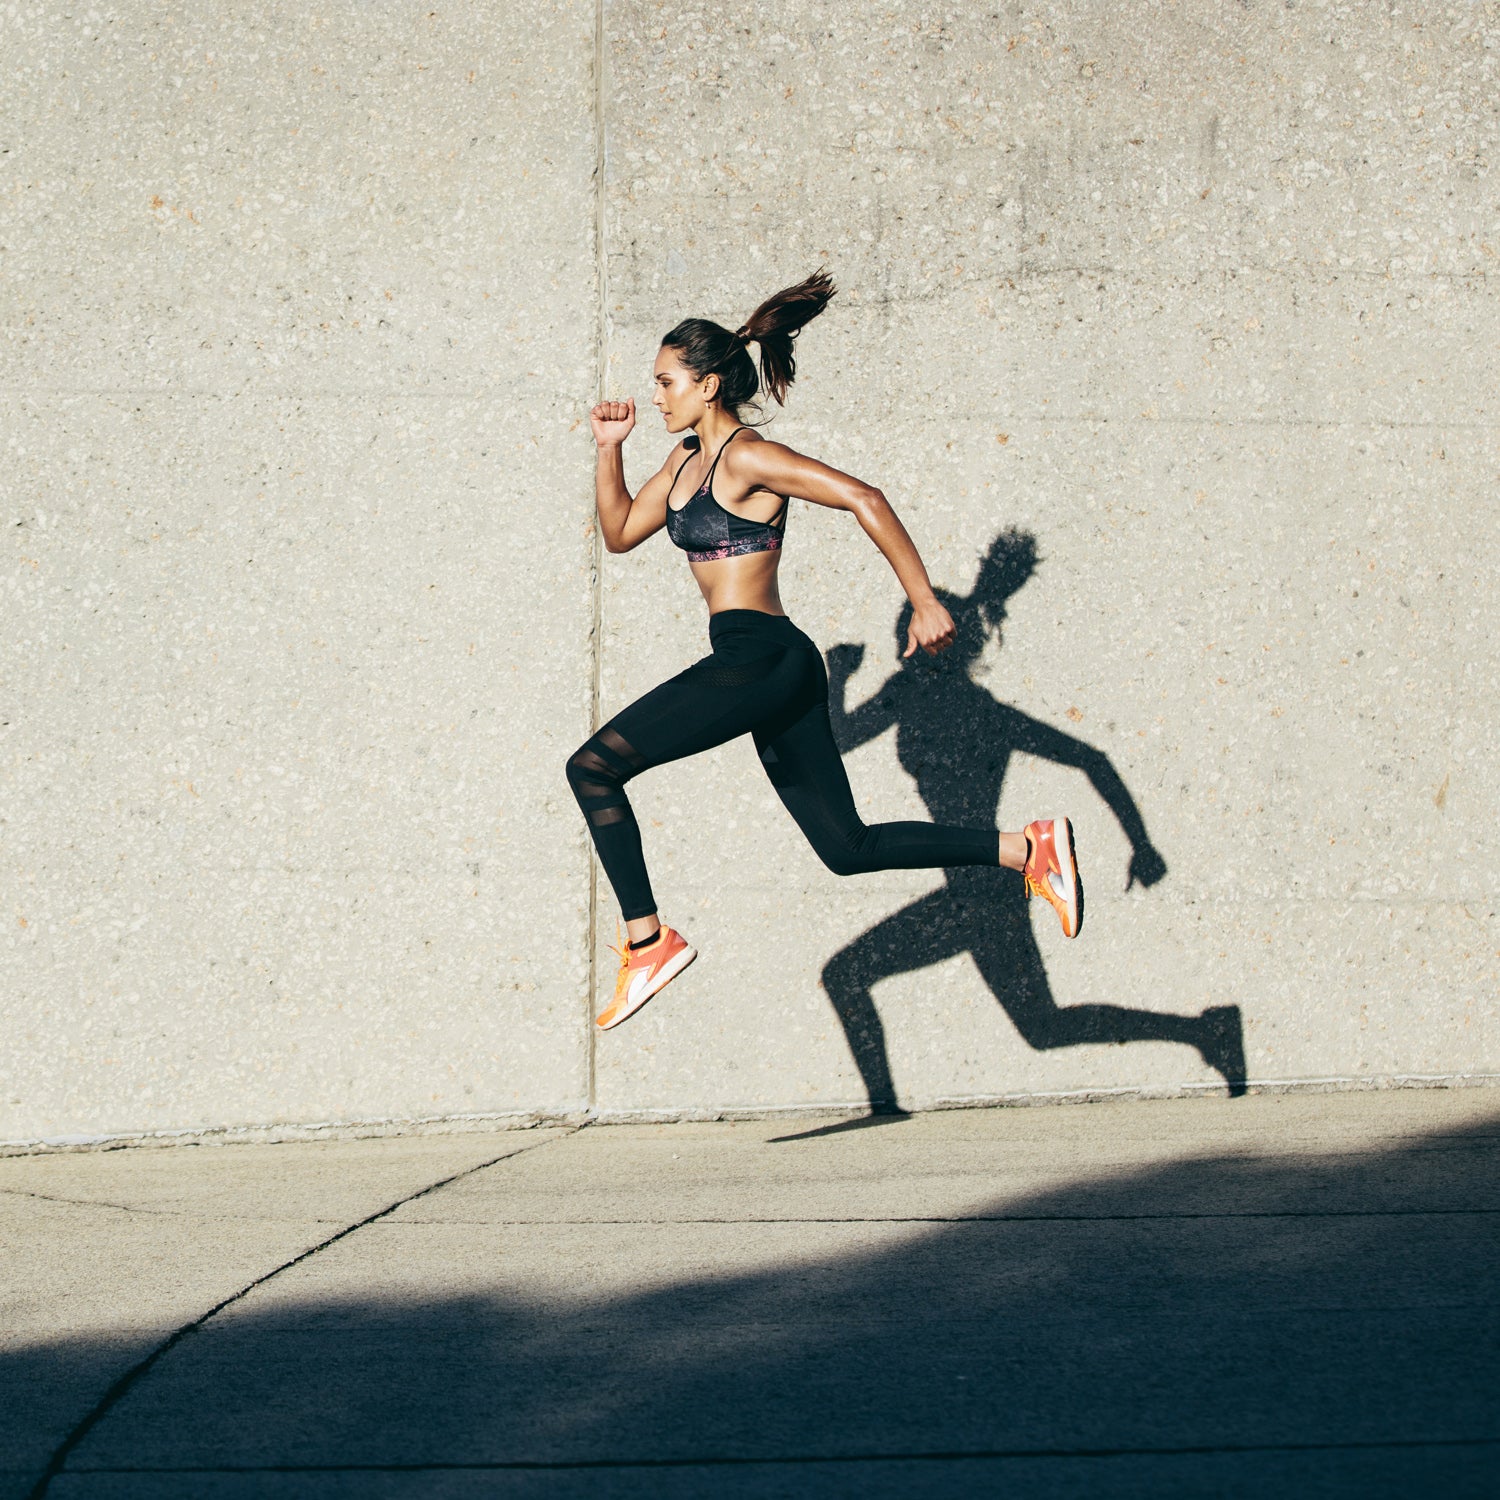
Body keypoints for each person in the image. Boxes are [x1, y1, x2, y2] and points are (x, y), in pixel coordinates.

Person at [571, 269, 1080, 1030]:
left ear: (708, 384)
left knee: (594, 766)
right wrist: (611, 449)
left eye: (666, 381)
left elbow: (863, 497)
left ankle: (647, 940)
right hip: (768, 664)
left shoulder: (747, 457)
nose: (657, 395)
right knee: (846, 847)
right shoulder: (680, 462)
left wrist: (925, 599)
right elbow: (619, 535)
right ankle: (1026, 847)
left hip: (761, 653)